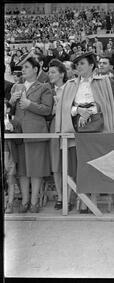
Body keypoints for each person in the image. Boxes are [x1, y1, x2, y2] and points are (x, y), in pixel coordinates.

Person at [55, 51, 114, 213]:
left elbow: (106, 105)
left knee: (95, 163)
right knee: (78, 165)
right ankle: (81, 198)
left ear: (91, 66)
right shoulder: (70, 84)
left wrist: (89, 112)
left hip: (97, 127)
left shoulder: (103, 82)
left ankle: (93, 198)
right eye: (77, 64)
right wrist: (79, 111)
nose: (79, 66)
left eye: (82, 63)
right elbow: (64, 108)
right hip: (76, 128)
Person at [9, 57, 53, 213]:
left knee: (36, 168)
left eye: (27, 67)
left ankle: (34, 201)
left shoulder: (44, 87)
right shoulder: (16, 87)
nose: (24, 70)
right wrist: (11, 103)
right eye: (23, 67)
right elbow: (10, 113)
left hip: (36, 132)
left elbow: (47, 110)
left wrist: (30, 105)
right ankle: (25, 202)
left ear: (36, 69)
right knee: (22, 170)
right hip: (19, 133)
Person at [48, 59, 74, 211]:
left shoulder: (70, 88)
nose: (50, 75)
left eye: (53, 72)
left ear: (61, 74)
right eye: (49, 72)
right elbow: (46, 112)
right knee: (56, 165)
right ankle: (60, 196)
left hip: (68, 127)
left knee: (68, 164)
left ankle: (69, 198)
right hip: (53, 128)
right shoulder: (48, 91)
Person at [4, 101, 22, 214]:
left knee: (11, 180)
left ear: (8, 110)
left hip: (10, 154)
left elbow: (19, 141)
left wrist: (12, 131)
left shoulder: (14, 122)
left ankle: (10, 204)